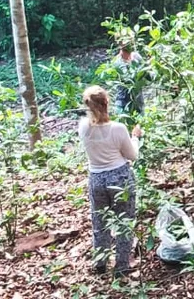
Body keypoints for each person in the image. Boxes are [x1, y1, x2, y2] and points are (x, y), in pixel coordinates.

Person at [79, 85, 141, 275]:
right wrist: (135, 137)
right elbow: (132, 156)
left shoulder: (83, 127)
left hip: (96, 178)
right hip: (119, 177)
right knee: (124, 221)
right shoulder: (118, 128)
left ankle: (100, 262)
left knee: (100, 222)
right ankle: (121, 266)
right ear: (107, 103)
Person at [112, 43, 143, 113]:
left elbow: (147, 75)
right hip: (122, 100)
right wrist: (132, 62)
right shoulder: (117, 61)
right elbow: (128, 78)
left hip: (138, 100)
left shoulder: (137, 57)